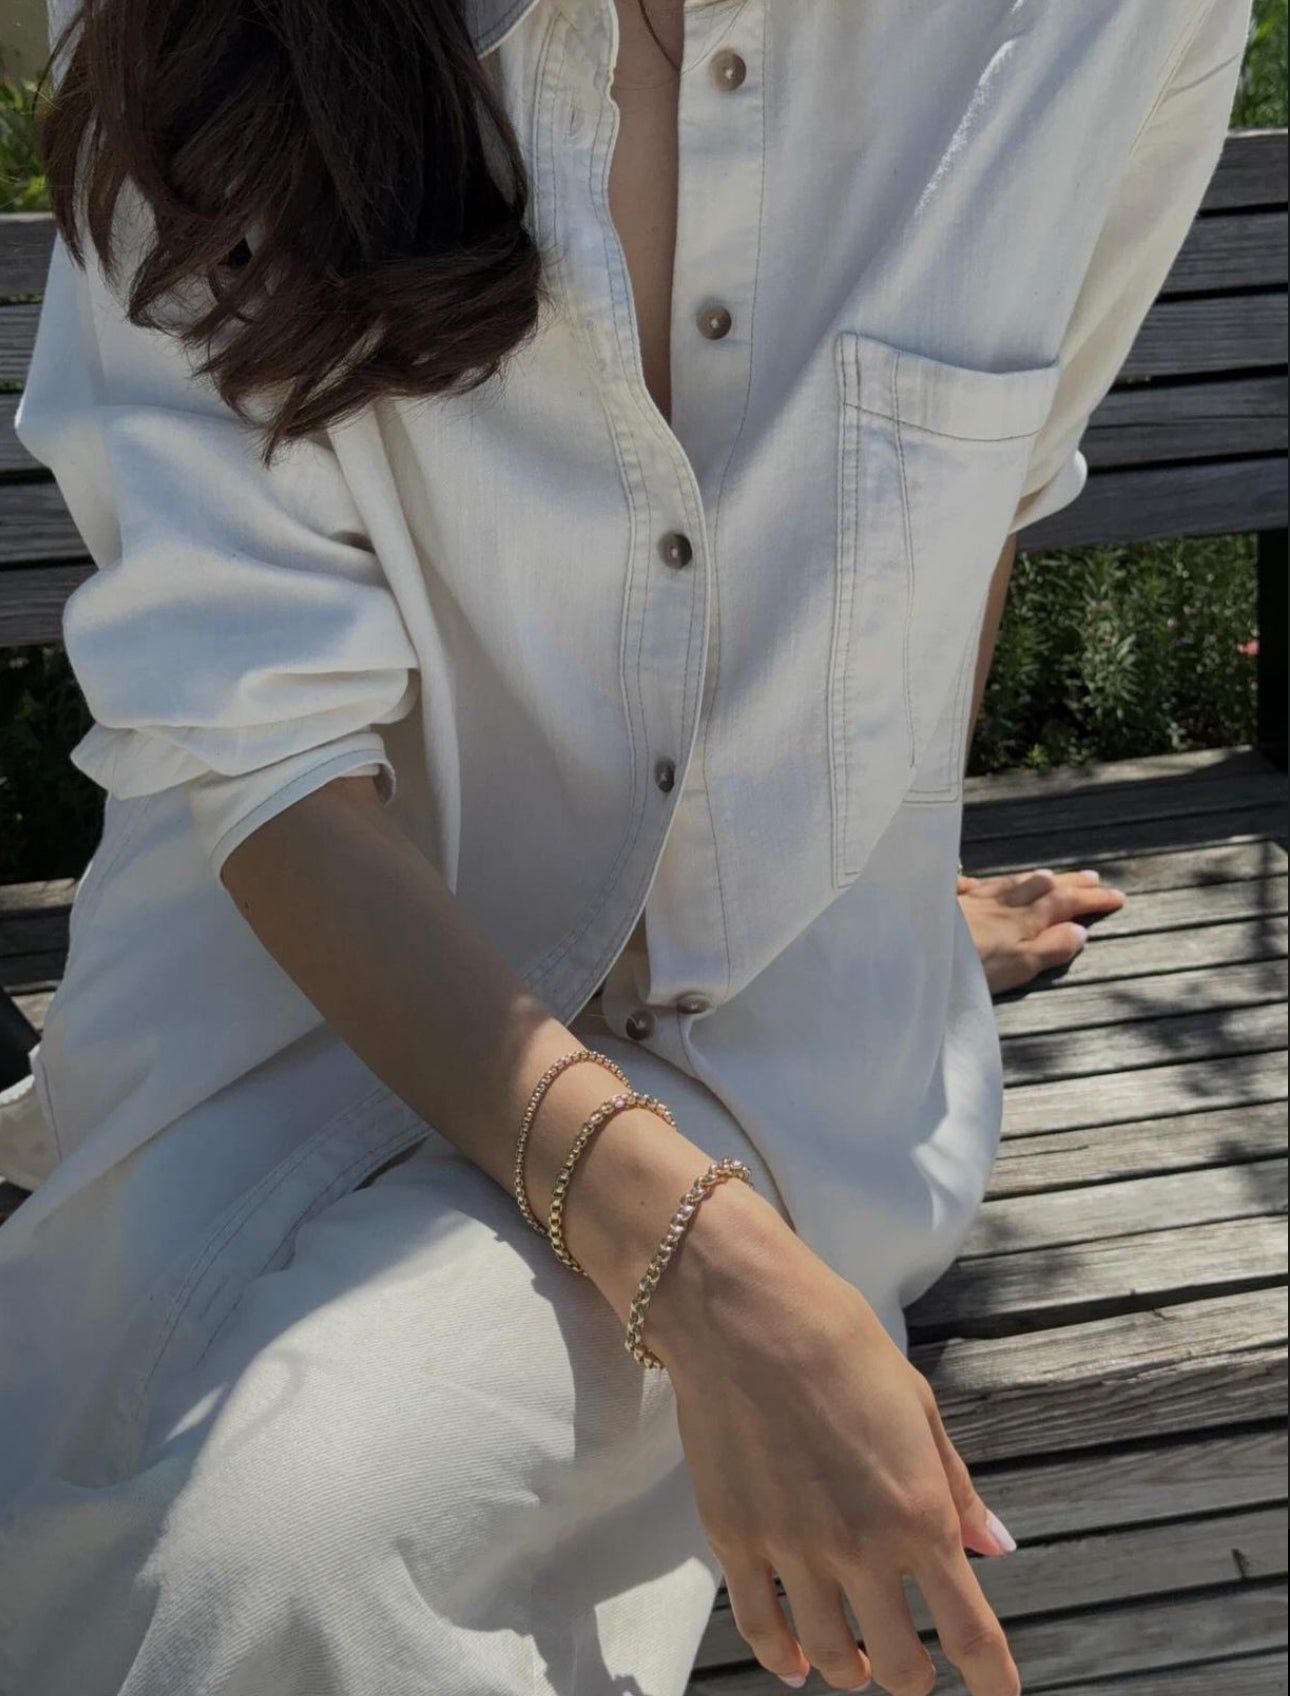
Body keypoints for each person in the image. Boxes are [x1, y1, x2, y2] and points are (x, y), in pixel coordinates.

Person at [0, 0, 1248, 1692]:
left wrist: (878, 894)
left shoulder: (1089, 27)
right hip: (277, 1038)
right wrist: (710, 1274)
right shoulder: (198, 32)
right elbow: (257, 743)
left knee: (283, 1557)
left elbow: (968, 508)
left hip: (764, 1072)